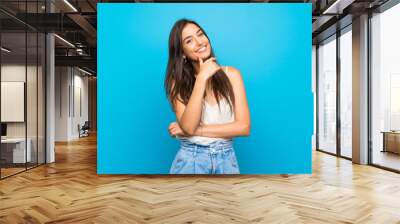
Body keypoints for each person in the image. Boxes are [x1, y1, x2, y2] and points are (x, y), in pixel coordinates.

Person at [164, 18, 250, 174]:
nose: (199, 42)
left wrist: (193, 131)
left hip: (227, 160)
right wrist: (202, 78)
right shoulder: (176, 82)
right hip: (191, 160)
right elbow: (189, 126)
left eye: (200, 34)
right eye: (189, 41)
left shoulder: (232, 74)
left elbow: (243, 127)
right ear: (182, 52)